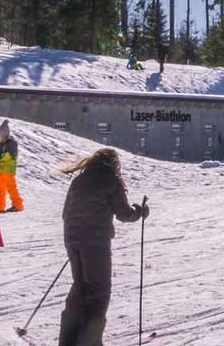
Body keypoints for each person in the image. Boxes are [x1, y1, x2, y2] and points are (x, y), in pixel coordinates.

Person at [58, 148, 147, 346]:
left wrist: (77, 234)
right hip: (95, 243)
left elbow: (65, 213)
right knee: (99, 290)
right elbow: (124, 213)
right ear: (113, 164)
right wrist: (139, 212)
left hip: (72, 239)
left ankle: (67, 340)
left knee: (80, 287)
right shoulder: (110, 179)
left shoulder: (79, 180)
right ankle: (89, 342)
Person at [0, 121, 25, 213]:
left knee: (11, 188)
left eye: (2, 135)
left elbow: (11, 156)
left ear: (6, 135)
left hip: (8, 170)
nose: (0, 137)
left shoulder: (12, 143)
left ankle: (18, 205)